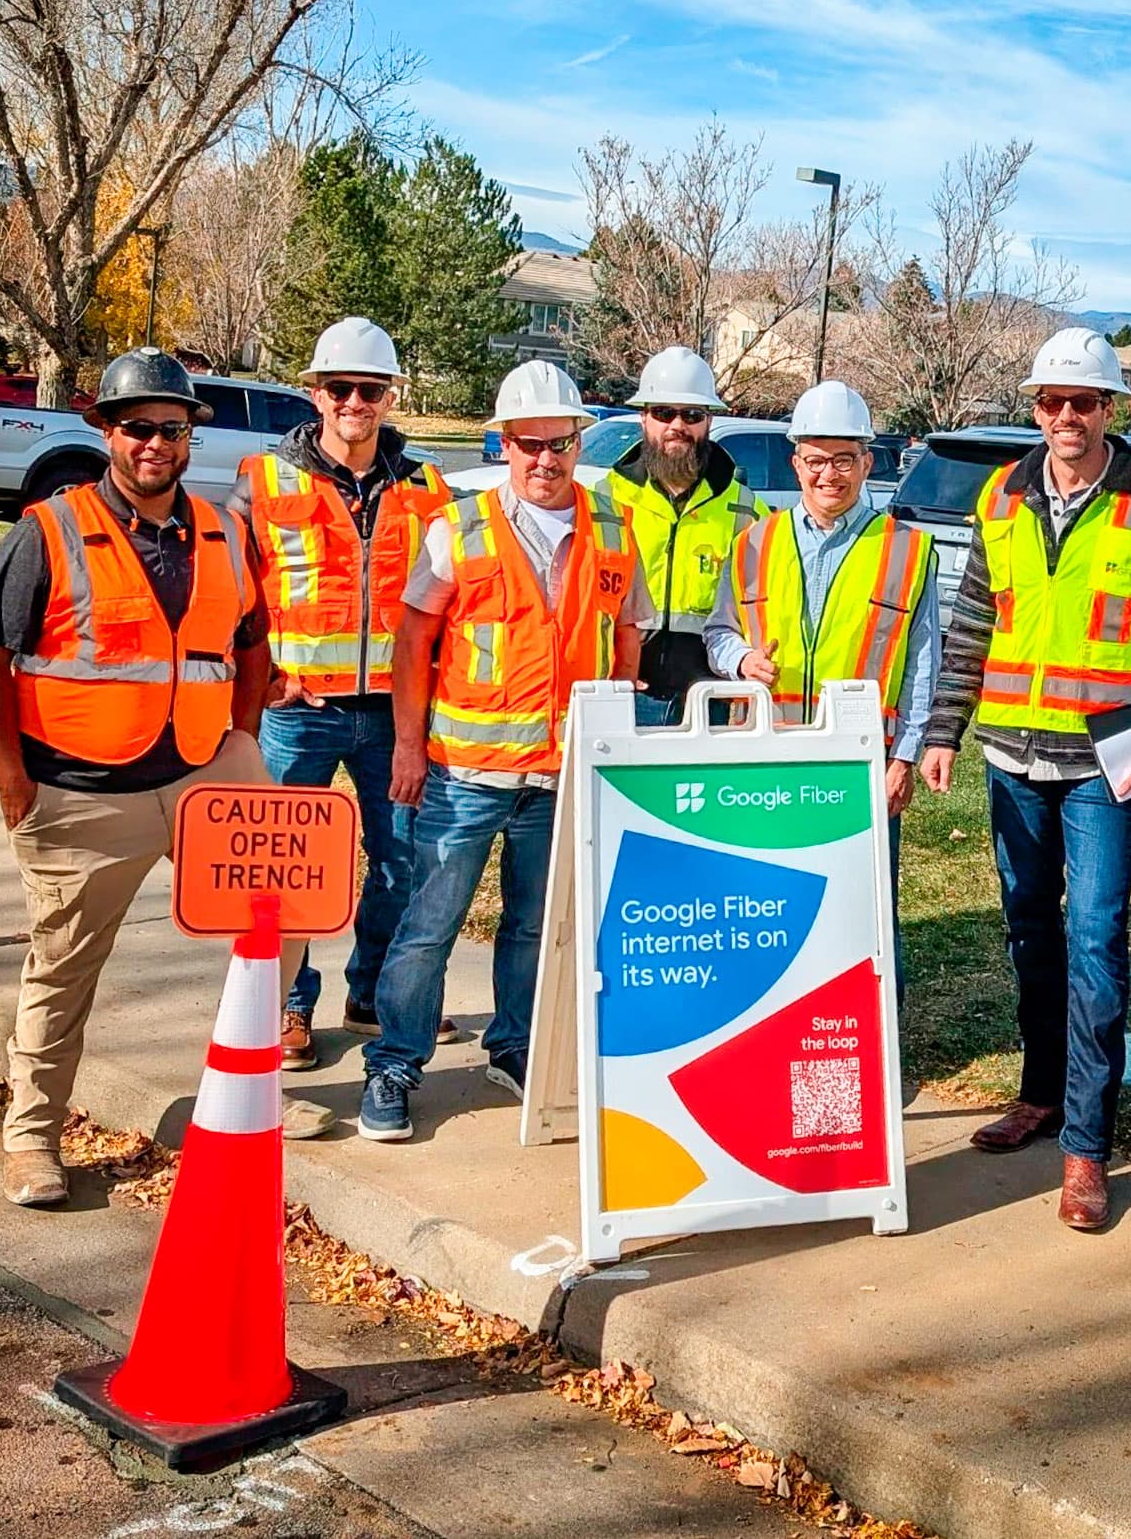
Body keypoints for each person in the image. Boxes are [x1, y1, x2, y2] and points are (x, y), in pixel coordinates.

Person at [0, 348, 332, 1210]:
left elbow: (250, 643)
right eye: (137, 428)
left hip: (203, 770)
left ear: (189, 434)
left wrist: (240, 743)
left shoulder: (219, 530)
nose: (155, 443)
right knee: (62, 966)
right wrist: (12, 780)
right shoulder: (50, 530)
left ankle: (243, 1093)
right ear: (107, 433)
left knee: (285, 912)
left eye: (171, 428)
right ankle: (32, 1137)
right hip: (80, 792)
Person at [920, 327, 1131, 1232]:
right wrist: (942, 730)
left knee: (1095, 940)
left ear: (1110, 409)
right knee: (1028, 933)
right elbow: (971, 622)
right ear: (1035, 408)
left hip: (1104, 767)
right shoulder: (1000, 496)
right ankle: (1041, 1094)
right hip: (1012, 756)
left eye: (1082, 402)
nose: (1066, 417)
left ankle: (1087, 1147)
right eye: (1051, 401)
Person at [359, 359, 651, 1141]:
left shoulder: (616, 528)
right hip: (464, 773)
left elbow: (627, 639)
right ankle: (394, 1062)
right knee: (430, 921)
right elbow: (413, 639)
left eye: (560, 443)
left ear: (578, 441)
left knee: (533, 926)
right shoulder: (458, 527)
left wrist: (611, 736)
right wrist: (409, 748)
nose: (546, 460)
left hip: (561, 775)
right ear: (505, 443)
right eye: (529, 444)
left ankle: (515, 1045)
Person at [232, 316, 453, 1070]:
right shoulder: (264, 479)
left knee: (399, 861)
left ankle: (373, 994)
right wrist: (263, 682)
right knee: (286, 866)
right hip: (299, 715)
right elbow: (231, 597)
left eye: (370, 388)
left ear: (390, 396)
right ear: (315, 394)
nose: (354, 400)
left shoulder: (427, 486)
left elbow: (453, 601)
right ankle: (292, 1008)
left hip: (394, 711)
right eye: (340, 387)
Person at [705, 380, 939, 1000]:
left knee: (859, 911)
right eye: (815, 459)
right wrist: (741, 661)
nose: (829, 474)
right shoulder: (754, 541)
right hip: (764, 758)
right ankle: (769, 1027)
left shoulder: (907, 550)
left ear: (867, 462)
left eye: (843, 459)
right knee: (764, 905)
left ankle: (866, 1040)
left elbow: (923, 665)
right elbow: (719, 632)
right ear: (795, 462)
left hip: (857, 764)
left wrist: (905, 757)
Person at [605, 346, 766, 726]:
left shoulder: (747, 511)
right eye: (664, 413)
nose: (677, 425)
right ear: (643, 418)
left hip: (710, 702)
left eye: (691, 415)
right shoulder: (604, 500)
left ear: (708, 421)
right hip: (619, 695)